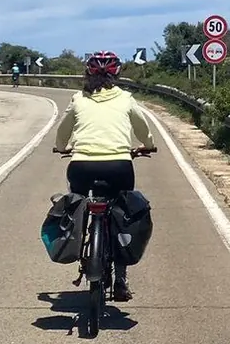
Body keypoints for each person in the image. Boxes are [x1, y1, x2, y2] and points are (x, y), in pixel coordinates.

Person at [52, 50, 156, 301]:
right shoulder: (126, 98)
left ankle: (77, 243)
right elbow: (143, 128)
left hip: (82, 166)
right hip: (119, 165)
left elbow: (63, 130)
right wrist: (147, 145)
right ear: (117, 74)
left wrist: (62, 146)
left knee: (77, 204)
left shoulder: (79, 99)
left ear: (88, 73)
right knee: (122, 214)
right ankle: (120, 280)